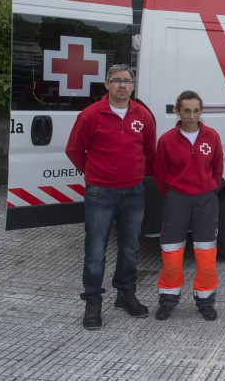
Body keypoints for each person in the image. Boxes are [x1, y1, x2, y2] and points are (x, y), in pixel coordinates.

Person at [65, 64, 156, 330]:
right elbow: (74, 149)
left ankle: (125, 294)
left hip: (134, 192)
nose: (122, 85)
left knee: (130, 248)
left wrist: (135, 173)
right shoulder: (91, 115)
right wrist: (92, 171)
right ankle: (93, 300)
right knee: (95, 251)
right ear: (106, 85)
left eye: (127, 81)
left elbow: (149, 149)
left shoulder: (143, 116)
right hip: (100, 192)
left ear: (133, 85)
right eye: (116, 80)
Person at [153, 91, 223, 321]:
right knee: (172, 254)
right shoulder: (166, 140)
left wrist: (209, 187)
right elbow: (160, 175)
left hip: (205, 200)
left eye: (196, 111)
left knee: (206, 254)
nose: (192, 116)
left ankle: (205, 300)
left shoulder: (212, 136)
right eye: (186, 111)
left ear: (201, 111)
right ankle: (168, 300)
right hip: (177, 200)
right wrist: (175, 194)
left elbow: (217, 168)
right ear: (177, 111)